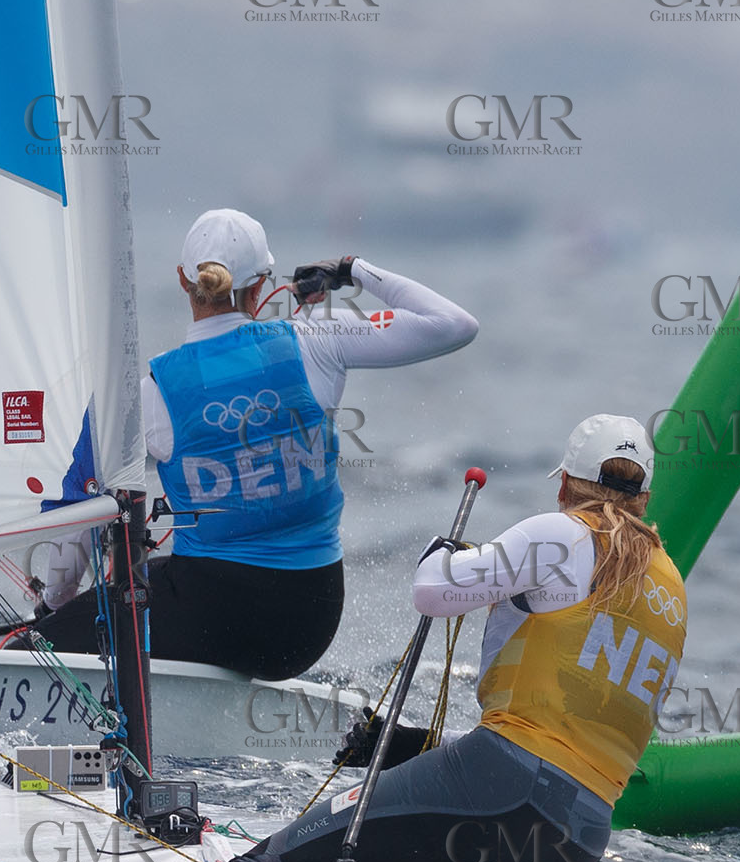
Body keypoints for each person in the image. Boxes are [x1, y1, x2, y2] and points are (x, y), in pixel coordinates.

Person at [220, 414, 686, 862]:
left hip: (504, 791)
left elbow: (433, 590)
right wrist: (422, 745)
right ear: (644, 498)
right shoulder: (671, 588)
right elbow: (558, 740)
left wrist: (439, 553)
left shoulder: (562, 534)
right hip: (577, 839)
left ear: (565, 483)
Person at [32, 208, 478, 678]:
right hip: (308, 626)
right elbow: (453, 324)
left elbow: (83, 503)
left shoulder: (150, 395)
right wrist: (351, 269)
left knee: (39, 645)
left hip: (212, 618)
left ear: (184, 281)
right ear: (263, 283)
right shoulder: (319, 342)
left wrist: (54, 606)